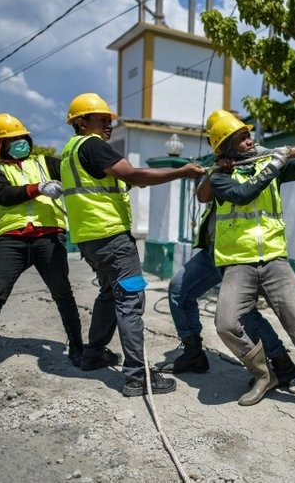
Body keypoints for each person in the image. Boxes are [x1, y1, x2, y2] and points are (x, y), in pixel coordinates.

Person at [60, 92, 204, 397]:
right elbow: (135, 175)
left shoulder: (70, 152)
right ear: (81, 122)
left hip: (90, 241)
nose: (108, 124)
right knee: (131, 300)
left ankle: (94, 354)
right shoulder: (94, 146)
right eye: (101, 119)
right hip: (113, 241)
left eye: (110, 120)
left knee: (110, 295)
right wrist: (181, 171)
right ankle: (138, 376)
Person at [207, 110, 295, 418]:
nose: (250, 140)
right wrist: (274, 162)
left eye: (249, 135)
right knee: (226, 323)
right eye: (242, 138)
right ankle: (263, 375)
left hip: (274, 259)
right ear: (226, 147)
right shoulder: (219, 177)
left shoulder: (269, 166)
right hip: (238, 263)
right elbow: (244, 194)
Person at [0, 113, 83, 389]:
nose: (18, 143)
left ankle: (77, 348)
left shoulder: (45, 163)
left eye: (21, 138)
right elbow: (2, 195)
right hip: (11, 240)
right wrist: (37, 188)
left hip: (49, 237)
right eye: (10, 140)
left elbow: (72, 169)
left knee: (63, 293)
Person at [160, 146, 295, 386]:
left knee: (243, 313)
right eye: (236, 137)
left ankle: (281, 362)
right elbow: (202, 195)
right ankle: (193, 352)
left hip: (240, 252)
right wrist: (217, 171)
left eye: (245, 136)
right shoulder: (219, 168)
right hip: (213, 250)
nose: (246, 142)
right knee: (178, 290)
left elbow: (246, 192)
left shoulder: (259, 161)